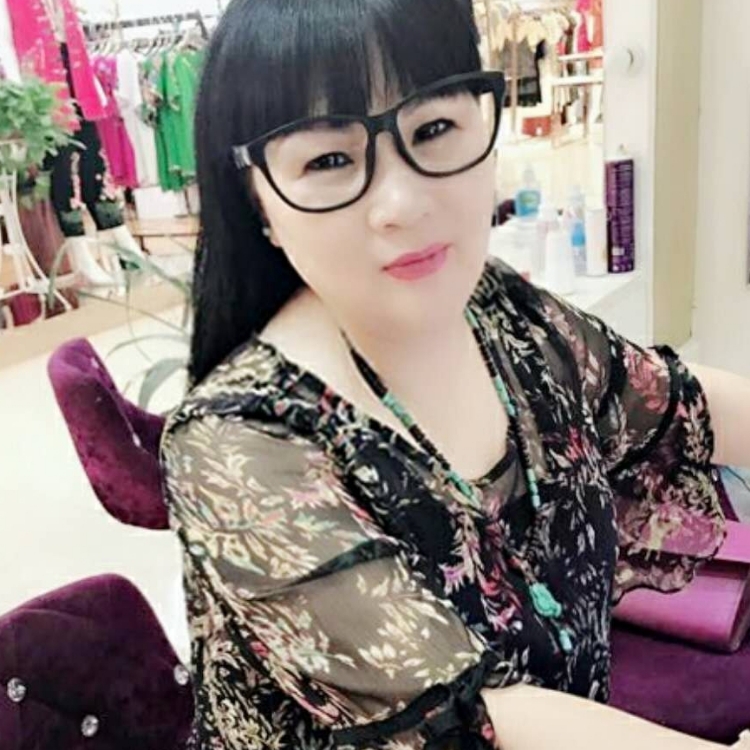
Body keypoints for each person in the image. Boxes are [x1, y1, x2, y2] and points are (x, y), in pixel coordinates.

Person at [161, 0, 750, 747]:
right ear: (258, 201)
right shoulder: (234, 444)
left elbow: (677, 402)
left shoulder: (501, 312)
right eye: (329, 160)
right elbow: (475, 717)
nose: (402, 203)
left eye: (433, 129)